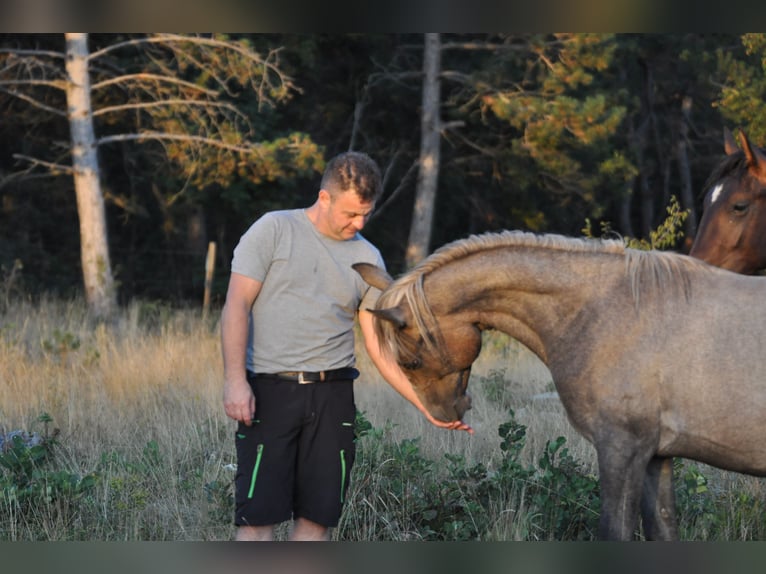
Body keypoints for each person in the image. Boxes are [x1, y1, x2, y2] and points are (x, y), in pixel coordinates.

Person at [221, 151, 472, 542]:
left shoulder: (366, 256)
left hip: (333, 398)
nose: (358, 224)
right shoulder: (273, 230)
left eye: (366, 215)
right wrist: (235, 382)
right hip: (271, 392)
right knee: (257, 520)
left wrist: (426, 405)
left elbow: (377, 345)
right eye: (351, 214)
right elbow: (236, 304)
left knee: (317, 520)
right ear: (325, 198)